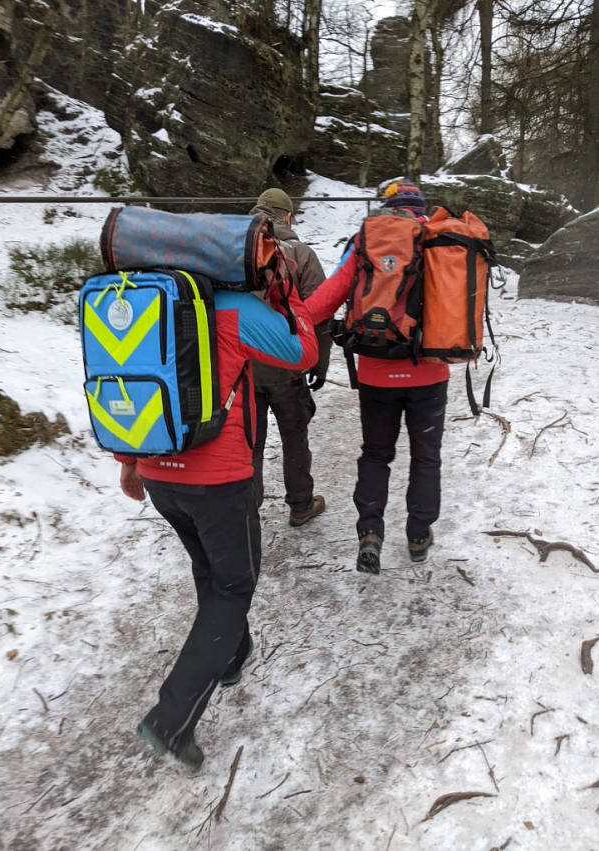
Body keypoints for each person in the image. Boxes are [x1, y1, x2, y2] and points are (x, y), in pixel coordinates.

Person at [118, 275, 318, 770]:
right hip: (217, 479)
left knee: (210, 568)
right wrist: (287, 296)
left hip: (158, 469)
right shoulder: (231, 308)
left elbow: (124, 372)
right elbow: (303, 353)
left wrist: (128, 460)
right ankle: (172, 718)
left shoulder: (137, 300)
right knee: (234, 585)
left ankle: (230, 655)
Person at [305, 179, 450, 574]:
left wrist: (291, 318)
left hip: (376, 372)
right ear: (420, 207)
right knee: (426, 457)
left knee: (375, 453)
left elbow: (330, 294)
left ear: (388, 207)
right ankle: (419, 534)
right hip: (429, 371)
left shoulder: (366, 239)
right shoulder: (438, 241)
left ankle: (370, 533)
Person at [249, 188, 331, 527]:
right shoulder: (301, 253)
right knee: (294, 436)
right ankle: (300, 504)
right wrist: (320, 362)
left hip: (243, 367)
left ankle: (245, 510)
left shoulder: (232, 249)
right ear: (287, 216)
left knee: (249, 444)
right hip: (288, 366)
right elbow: (321, 313)